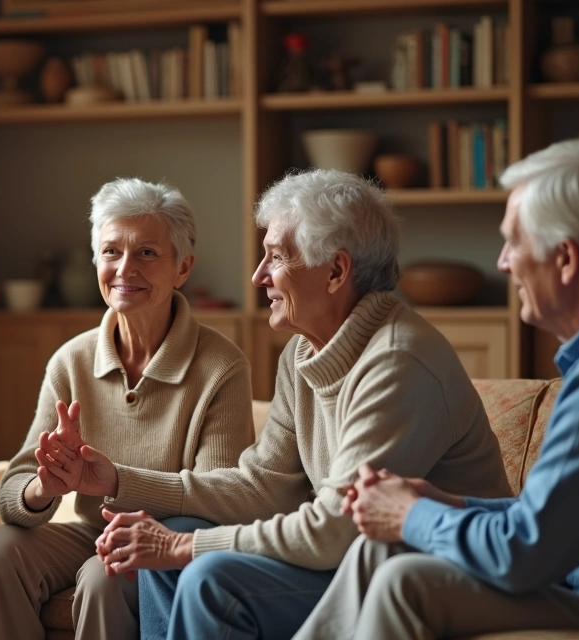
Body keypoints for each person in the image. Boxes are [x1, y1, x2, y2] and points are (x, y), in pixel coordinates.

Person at [40, 169, 514, 639]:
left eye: (277, 257)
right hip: (350, 558)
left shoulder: (398, 361)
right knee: (176, 548)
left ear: (336, 271)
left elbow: (335, 530)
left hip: (427, 569)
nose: (258, 275)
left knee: (207, 577)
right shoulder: (302, 354)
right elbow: (264, 487)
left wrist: (184, 546)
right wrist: (119, 481)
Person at [294, 139, 579, 639]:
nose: (503, 262)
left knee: (405, 582)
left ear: (565, 259)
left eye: (514, 242)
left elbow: (525, 551)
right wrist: (447, 504)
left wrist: (411, 512)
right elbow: (555, 520)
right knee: (385, 546)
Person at [0, 178, 255, 640]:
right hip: (93, 530)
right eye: (111, 252)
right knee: (2, 547)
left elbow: (220, 497)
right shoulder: (72, 360)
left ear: (183, 267)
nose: (125, 268)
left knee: (103, 575)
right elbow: (11, 496)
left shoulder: (221, 366)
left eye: (146, 252)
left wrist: (119, 481)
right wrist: (43, 486)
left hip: (166, 540)